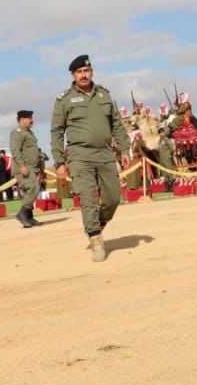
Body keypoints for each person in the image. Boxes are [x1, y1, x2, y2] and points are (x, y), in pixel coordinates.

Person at [51, 54, 132, 262]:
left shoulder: (104, 95)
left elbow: (116, 124)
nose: (83, 75)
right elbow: (56, 131)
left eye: (86, 71)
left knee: (113, 198)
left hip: (105, 153)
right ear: (73, 75)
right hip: (80, 156)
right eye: (79, 72)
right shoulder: (64, 99)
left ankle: (97, 224)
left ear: (92, 72)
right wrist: (60, 162)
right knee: (87, 199)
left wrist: (124, 149)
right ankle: (95, 238)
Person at [9, 110, 45, 228]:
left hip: (32, 167)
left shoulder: (29, 133)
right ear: (22, 119)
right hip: (24, 167)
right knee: (33, 188)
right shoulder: (17, 133)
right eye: (30, 118)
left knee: (28, 192)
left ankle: (29, 217)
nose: (32, 120)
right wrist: (22, 165)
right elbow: (15, 150)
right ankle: (22, 214)